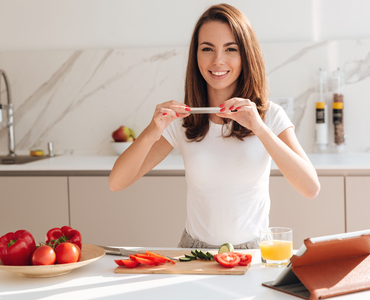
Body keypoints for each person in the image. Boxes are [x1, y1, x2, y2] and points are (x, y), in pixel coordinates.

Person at [109, 3, 320, 249]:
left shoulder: (269, 115)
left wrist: (260, 129)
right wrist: (150, 132)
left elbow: (310, 188)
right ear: (196, 55)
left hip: (252, 253)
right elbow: (117, 182)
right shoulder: (184, 121)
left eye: (231, 49)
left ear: (245, 56)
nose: (218, 60)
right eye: (207, 48)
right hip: (195, 253)